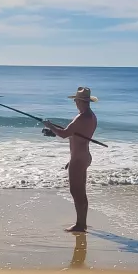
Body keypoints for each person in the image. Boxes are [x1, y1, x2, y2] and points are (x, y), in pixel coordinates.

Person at [43, 87, 98, 233]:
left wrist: (50, 126)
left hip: (79, 159)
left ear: (81, 101)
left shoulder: (81, 117)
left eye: (76, 100)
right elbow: (74, 135)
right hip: (84, 156)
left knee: (76, 192)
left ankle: (80, 225)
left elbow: (64, 134)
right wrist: (54, 131)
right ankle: (82, 223)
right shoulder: (91, 116)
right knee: (81, 192)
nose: (75, 102)